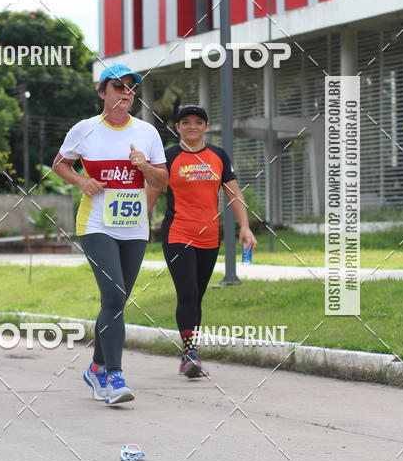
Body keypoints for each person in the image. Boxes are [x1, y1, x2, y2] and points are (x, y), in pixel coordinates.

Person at [52, 63, 167, 405]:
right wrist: (82, 180)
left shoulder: (147, 133)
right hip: (96, 225)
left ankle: (96, 368)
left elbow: (162, 182)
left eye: (130, 88)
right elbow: (60, 163)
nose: (125, 93)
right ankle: (115, 377)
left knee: (115, 301)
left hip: (134, 228)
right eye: (117, 87)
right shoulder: (85, 130)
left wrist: (143, 166)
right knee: (115, 296)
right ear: (103, 92)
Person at [147, 105, 257, 378]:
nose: (192, 126)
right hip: (177, 233)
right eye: (186, 122)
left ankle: (189, 353)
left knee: (198, 296)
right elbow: (152, 191)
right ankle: (190, 355)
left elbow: (233, 193)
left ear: (206, 127)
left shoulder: (218, 156)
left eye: (198, 122)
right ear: (178, 127)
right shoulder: (168, 156)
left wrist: (244, 226)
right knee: (187, 293)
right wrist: (138, 224)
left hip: (209, 237)